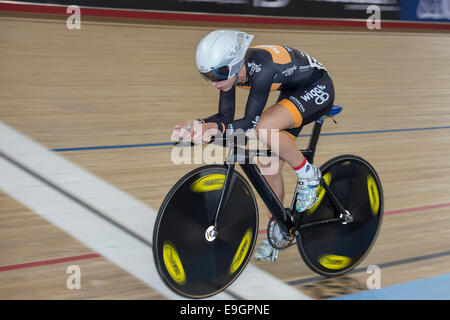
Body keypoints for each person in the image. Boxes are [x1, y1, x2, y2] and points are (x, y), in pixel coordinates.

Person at [172, 29, 335, 262]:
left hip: (318, 86)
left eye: (216, 75)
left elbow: (250, 122)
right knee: (268, 165)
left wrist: (212, 131)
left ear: (235, 64)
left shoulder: (262, 69)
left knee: (265, 129)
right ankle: (278, 229)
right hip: (294, 91)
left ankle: (309, 174)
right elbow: (225, 118)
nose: (213, 83)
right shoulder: (231, 76)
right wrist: (197, 124)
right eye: (208, 76)